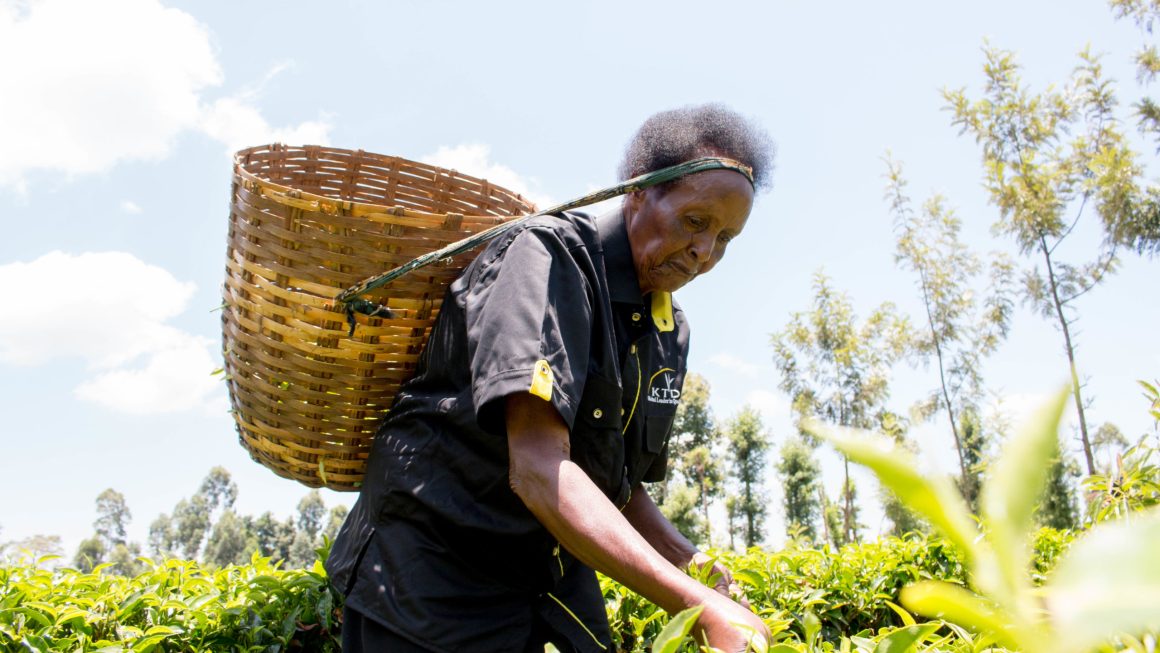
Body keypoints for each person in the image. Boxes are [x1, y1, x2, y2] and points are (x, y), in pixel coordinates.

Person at [326, 103, 775, 652]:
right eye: (695, 221)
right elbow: (540, 468)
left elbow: (617, 486)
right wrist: (695, 605)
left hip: (539, 578)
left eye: (726, 238)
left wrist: (690, 562)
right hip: (429, 579)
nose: (704, 252)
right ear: (637, 192)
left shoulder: (667, 330)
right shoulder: (546, 257)